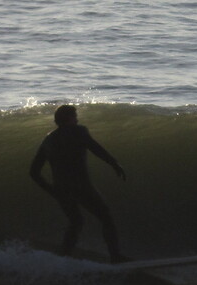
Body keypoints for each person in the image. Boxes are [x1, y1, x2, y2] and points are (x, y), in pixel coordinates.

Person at [29, 104, 128, 262]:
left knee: (76, 222)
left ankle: (63, 259)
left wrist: (52, 191)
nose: (77, 119)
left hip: (61, 189)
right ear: (69, 119)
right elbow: (95, 148)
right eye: (75, 116)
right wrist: (114, 163)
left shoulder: (48, 140)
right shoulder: (78, 131)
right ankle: (115, 257)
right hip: (81, 186)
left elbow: (33, 172)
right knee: (106, 217)